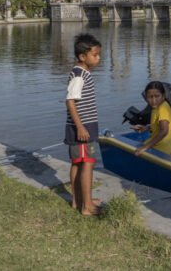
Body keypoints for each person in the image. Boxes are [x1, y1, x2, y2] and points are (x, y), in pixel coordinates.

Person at [64, 33, 102, 216]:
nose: (98, 58)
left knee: (78, 163)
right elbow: (70, 101)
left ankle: (78, 200)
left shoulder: (81, 73)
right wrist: (80, 127)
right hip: (83, 128)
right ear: (82, 56)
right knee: (87, 164)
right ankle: (86, 206)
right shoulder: (79, 75)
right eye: (95, 55)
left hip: (84, 126)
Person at [132, 81, 171, 156]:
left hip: (165, 149)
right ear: (146, 97)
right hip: (165, 145)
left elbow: (164, 131)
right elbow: (158, 125)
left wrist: (145, 148)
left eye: (157, 96)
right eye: (150, 97)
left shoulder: (162, 108)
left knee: (139, 147)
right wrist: (146, 128)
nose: (153, 101)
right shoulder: (156, 107)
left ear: (163, 96)